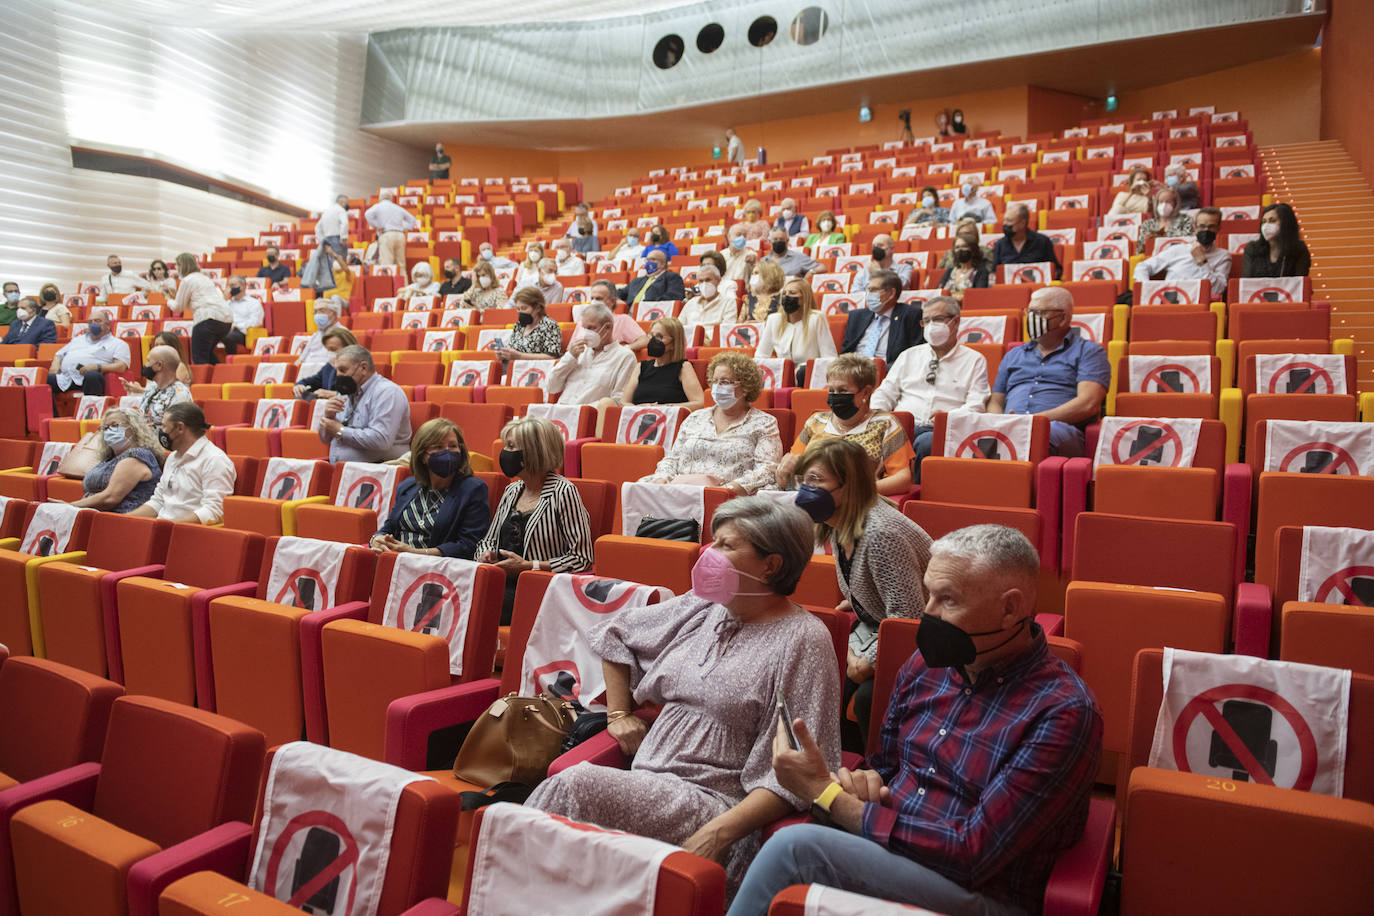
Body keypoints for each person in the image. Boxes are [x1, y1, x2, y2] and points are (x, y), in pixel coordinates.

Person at [731, 524, 1102, 916]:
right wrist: (860, 784)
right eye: (929, 594)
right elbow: (885, 767)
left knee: (796, 851)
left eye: (948, 600)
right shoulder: (925, 666)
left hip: (979, 891)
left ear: (1010, 608)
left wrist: (828, 796)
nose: (928, 614)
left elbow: (972, 855)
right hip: (892, 849)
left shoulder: (1063, 711)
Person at [526, 496, 841, 897]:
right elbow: (617, 636)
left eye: (727, 545)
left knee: (573, 787)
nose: (708, 553)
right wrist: (617, 713)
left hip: (715, 806)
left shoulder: (804, 640)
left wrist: (715, 834)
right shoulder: (705, 606)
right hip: (647, 782)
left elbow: (797, 776)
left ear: (771, 565)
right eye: (713, 541)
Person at [789, 438, 931, 750]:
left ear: (849, 485)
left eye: (815, 481)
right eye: (803, 480)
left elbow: (909, 620)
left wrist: (866, 663)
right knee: (815, 667)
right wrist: (858, 602)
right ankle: (824, 762)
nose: (804, 490)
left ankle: (871, 770)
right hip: (875, 626)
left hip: (926, 636)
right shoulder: (836, 523)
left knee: (865, 695)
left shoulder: (881, 535)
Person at [475, 416, 595, 622]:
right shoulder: (512, 490)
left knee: (478, 605)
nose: (504, 453)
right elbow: (489, 539)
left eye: (511, 446)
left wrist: (531, 566)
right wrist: (485, 554)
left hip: (540, 588)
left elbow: (582, 559)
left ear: (532, 452)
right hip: (502, 581)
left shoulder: (563, 492)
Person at [871, 296, 990, 477]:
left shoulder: (974, 360)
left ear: (955, 322)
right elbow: (885, 392)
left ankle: (914, 492)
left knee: (925, 442)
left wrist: (947, 418)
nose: (931, 325)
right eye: (926, 321)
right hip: (902, 425)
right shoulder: (908, 355)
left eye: (938, 319)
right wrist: (878, 418)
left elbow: (977, 404)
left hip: (943, 429)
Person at [988, 287, 1110, 457]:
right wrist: (997, 422)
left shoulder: (1089, 351)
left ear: (1063, 318)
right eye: (1029, 311)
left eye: (1039, 312)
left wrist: (1035, 422)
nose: (1031, 318)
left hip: (1058, 429)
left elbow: (1088, 403)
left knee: (1036, 437)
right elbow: (996, 401)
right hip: (1009, 426)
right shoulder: (1014, 355)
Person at [643, 352, 782, 495]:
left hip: (730, 498)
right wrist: (662, 479)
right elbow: (672, 459)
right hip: (681, 491)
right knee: (641, 490)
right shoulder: (695, 418)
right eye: (715, 381)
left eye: (725, 382)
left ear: (745, 387)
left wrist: (728, 490)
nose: (718, 387)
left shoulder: (764, 423)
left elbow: (767, 470)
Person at [781, 354, 915, 497]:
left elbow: (903, 480)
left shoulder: (885, 424)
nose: (835, 396)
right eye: (831, 391)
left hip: (859, 505)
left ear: (866, 392)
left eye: (843, 390)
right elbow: (792, 469)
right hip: (811, 499)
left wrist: (853, 492)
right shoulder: (816, 421)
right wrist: (783, 474)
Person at [370, 418, 489, 559]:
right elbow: (389, 527)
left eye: (453, 446)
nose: (447, 452)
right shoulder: (407, 486)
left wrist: (414, 553)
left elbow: (468, 545)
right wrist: (377, 539)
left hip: (435, 570)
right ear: (423, 456)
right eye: (438, 447)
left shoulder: (473, 489)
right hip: (396, 562)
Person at [130, 403, 236, 525]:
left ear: (180, 428)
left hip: (189, 534)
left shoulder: (215, 460)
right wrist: (125, 520)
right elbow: (159, 501)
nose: (161, 432)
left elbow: (214, 511)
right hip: (163, 528)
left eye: (164, 426)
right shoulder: (172, 457)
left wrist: (167, 526)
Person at [317, 345, 411, 463]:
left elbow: (382, 440)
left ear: (363, 368)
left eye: (343, 370)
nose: (338, 375)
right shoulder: (345, 392)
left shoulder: (387, 392)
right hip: (345, 471)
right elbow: (325, 439)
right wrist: (328, 417)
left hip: (379, 470)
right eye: (336, 370)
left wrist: (341, 431)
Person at [66, 408, 162, 514]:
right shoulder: (108, 458)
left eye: (114, 425)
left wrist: (69, 506)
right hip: (95, 516)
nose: (108, 431)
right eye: (105, 428)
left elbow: (110, 497)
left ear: (132, 428)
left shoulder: (137, 455)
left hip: (123, 519)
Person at [548, 303, 637, 406]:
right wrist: (570, 357)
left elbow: (617, 401)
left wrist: (583, 410)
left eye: (591, 328)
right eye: (584, 328)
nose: (586, 333)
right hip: (560, 411)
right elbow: (552, 387)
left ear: (608, 327)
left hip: (589, 415)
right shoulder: (577, 352)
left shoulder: (625, 356)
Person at [615, 317, 704, 412]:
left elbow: (699, 403)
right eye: (651, 335)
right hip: (638, 418)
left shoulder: (683, 367)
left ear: (674, 343)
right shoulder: (641, 367)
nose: (653, 340)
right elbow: (624, 402)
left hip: (668, 420)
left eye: (659, 337)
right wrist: (640, 408)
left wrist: (663, 408)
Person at [1131, 206, 1229, 291]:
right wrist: (1148, 287)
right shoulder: (1177, 250)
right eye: (1202, 226)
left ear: (1218, 228)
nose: (1206, 230)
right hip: (1168, 300)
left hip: (1197, 304)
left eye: (1211, 227)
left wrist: (1202, 262)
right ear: (1195, 227)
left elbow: (1218, 289)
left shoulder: (1223, 256)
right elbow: (1142, 267)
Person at [840, 269, 923, 364]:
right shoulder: (856, 316)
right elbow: (845, 353)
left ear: (891, 293)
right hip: (853, 369)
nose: (869, 294)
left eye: (874, 289)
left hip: (888, 371)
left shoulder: (910, 315)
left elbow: (914, 355)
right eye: (868, 289)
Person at [757, 278, 837, 374]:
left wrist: (803, 368)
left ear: (805, 298)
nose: (787, 296)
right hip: (781, 375)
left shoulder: (816, 318)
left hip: (807, 375)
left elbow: (830, 358)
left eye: (792, 293)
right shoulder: (773, 320)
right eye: (784, 293)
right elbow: (761, 357)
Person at [47, 311, 129, 401]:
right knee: (47, 380)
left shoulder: (118, 343)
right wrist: (55, 364)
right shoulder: (78, 339)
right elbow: (59, 354)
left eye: (97, 321)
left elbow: (121, 366)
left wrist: (97, 367)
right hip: (67, 378)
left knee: (92, 376)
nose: (93, 324)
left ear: (108, 324)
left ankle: (91, 411)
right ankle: (53, 415)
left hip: (91, 378)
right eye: (90, 322)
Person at [171, 252, 233, 365]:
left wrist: (167, 299)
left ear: (182, 265)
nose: (175, 268)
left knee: (199, 358)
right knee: (208, 354)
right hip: (225, 320)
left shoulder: (187, 280)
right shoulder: (205, 278)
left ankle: (205, 382)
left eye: (177, 265)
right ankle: (220, 378)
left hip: (207, 318)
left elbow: (178, 307)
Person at [991, 204, 1062, 279]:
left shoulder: (1042, 241)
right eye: (1004, 220)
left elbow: (1056, 270)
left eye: (1009, 221)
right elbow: (994, 272)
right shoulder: (999, 245)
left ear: (1022, 223)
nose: (1005, 224)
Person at [1243, 202, 1311, 278]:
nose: (1266, 226)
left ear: (1286, 223)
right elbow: (1246, 282)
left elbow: (1300, 283)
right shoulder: (1252, 249)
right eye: (1264, 222)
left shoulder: (1299, 249)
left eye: (1272, 221)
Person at [494, 287, 562, 362]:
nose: (520, 312)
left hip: (537, 370)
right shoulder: (518, 326)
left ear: (538, 308)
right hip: (516, 368)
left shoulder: (550, 325)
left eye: (524, 308)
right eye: (518, 309)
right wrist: (504, 355)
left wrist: (520, 356)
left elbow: (552, 357)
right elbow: (512, 350)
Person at [134, 345, 194, 427]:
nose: (145, 365)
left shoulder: (179, 394)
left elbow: (174, 429)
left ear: (159, 365)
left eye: (148, 361)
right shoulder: (152, 388)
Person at [292, 326, 358, 399]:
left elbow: (361, 396)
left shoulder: (360, 370)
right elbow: (309, 383)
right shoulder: (329, 368)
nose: (330, 353)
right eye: (328, 349)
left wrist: (334, 394)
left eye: (333, 349)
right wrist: (300, 386)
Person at [365, 190, 419, 270]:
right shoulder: (398, 207)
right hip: (400, 235)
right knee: (401, 264)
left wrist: (375, 226)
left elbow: (367, 214)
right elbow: (412, 219)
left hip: (387, 234)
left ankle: (388, 282)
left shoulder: (379, 206)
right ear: (391, 199)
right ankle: (403, 282)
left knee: (387, 263)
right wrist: (407, 228)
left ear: (380, 199)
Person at [588, 280, 650, 349]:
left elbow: (644, 340)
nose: (593, 302)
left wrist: (623, 350)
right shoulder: (583, 322)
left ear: (612, 301)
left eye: (598, 298)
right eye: (592, 298)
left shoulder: (623, 320)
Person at [295, 296, 346, 378]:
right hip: (307, 376)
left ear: (334, 313)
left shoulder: (344, 334)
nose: (318, 315)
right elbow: (300, 361)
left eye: (322, 311)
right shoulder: (314, 336)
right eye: (315, 312)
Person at [679, 263, 739, 329]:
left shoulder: (728, 303)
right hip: (689, 338)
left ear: (718, 280)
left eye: (708, 280)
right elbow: (678, 327)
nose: (704, 284)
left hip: (713, 338)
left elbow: (726, 331)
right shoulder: (691, 303)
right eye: (701, 281)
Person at [621, 249, 685, 306]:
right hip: (630, 314)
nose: (649, 262)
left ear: (663, 263)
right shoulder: (637, 281)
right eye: (647, 260)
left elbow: (674, 297)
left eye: (653, 259)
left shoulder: (672, 277)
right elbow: (620, 293)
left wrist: (645, 304)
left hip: (653, 312)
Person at [938, 234, 990, 300]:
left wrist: (950, 296)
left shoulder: (981, 272)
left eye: (964, 246)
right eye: (957, 247)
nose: (960, 250)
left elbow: (978, 296)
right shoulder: (949, 271)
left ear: (973, 250)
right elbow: (939, 292)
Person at [223, 276, 264, 353]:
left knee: (228, 337)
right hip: (228, 330)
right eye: (229, 286)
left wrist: (236, 326)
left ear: (243, 286)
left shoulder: (253, 303)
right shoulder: (228, 303)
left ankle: (232, 360)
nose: (230, 289)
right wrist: (224, 299)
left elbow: (255, 322)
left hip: (245, 333)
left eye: (233, 285)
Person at [316, 194, 351, 259]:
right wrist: (343, 237)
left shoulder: (326, 211)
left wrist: (322, 240)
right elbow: (345, 223)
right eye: (346, 203)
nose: (347, 205)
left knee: (330, 264)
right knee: (339, 263)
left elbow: (317, 228)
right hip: (337, 240)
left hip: (327, 240)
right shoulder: (341, 210)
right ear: (342, 202)